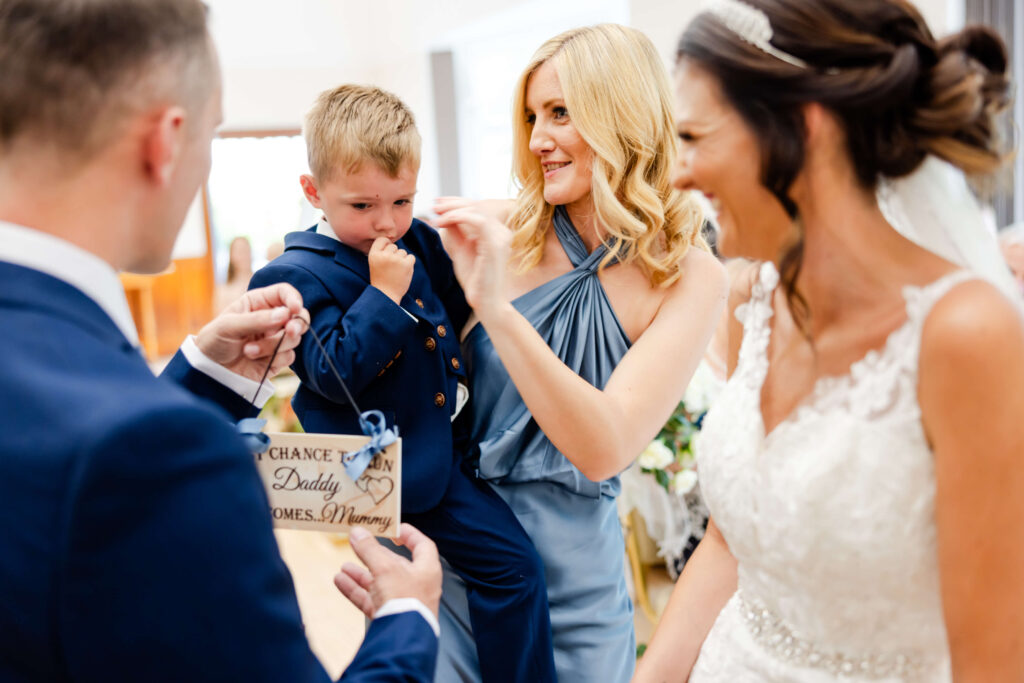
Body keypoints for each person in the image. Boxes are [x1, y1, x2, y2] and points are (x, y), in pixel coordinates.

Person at [0, 1, 442, 680]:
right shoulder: (163, 453)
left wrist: (205, 373)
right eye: (212, 136)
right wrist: (406, 619)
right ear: (167, 142)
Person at [632, 0, 1024, 681]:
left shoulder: (964, 336)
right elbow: (730, 540)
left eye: (695, 137)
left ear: (801, 127)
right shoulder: (754, 300)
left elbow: (991, 663)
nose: (677, 175)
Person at [431, 24, 727, 682]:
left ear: (620, 113)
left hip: (581, 591)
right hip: (463, 564)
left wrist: (501, 312)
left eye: (560, 112)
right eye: (532, 116)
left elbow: (606, 445)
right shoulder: (495, 231)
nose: (537, 139)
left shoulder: (690, 275)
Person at [249, 84, 557, 681]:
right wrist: (383, 295)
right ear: (314, 192)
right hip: (397, 476)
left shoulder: (412, 236)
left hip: (455, 444)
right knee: (514, 569)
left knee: (502, 572)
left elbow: (450, 297)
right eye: (361, 206)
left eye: (401, 201)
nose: (386, 222)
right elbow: (332, 373)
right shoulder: (291, 274)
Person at [215, 235, 255, 312]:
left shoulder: (262, 281)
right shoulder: (223, 291)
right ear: (231, 256)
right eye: (240, 251)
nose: (244, 255)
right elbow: (221, 320)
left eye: (247, 250)